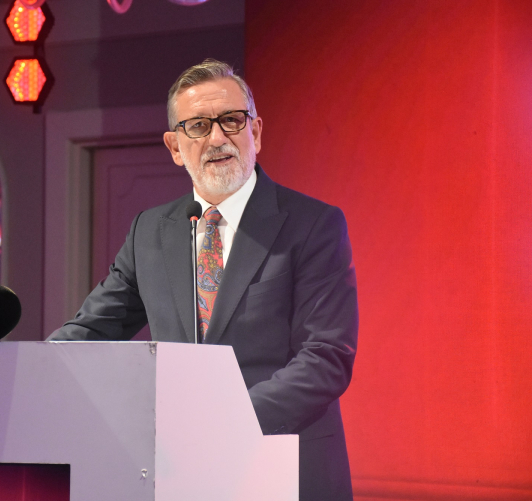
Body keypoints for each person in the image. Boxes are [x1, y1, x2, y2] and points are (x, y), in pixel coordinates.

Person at [48, 59, 358, 500]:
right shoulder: (149, 231)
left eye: (232, 120)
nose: (217, 138)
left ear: (256, 133)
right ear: (175, 147)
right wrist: (24, 371)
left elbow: (326, 358)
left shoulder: (314, 225)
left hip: (285, 467)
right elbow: (91, 331)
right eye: (197, 126)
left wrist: (221, 423)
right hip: (179, 475)